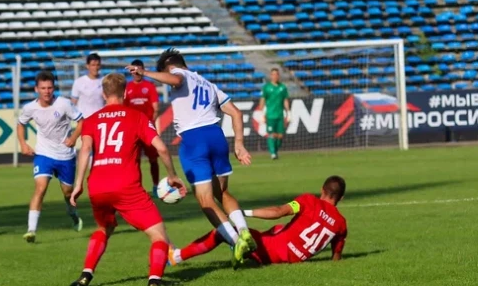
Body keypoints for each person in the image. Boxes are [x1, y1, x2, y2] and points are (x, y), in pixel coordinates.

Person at [127, 48, 254, 266]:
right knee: (222, 192)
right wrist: (239, 144)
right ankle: (244, 231)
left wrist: (145, 72)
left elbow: (175, 78)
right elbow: (236, 112)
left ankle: (236, 242)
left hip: (195, 141)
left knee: (205, 200)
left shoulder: (180, 75)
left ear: (169, 67)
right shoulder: (208, 83)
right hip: (217, 136)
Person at [68, 72, 185, 286]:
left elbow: (84, 150)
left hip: (98, 186)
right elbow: (161, 148)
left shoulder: (92, 120)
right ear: (125, 92)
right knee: (159, 235)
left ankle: (85, 275)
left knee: (104, 228)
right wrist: (172, 175)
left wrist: (78, 185)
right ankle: (155, 279)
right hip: (126, 185)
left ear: (104, 94)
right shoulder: (137, 117)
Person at [169, 175, 348, 267]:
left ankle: (176, 257)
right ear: (341, 197)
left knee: (222, 232)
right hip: (293, 259)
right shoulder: (341, 223)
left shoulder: (310, 201)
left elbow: (279, 211)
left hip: (272, 252)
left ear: (322, 189)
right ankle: (242, 250)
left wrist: (241, 213)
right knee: (277, 228)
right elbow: (336, 257)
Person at [17, 70, 84, 242]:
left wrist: (74, 138)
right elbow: (20, 124)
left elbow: (82, 121)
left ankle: (73, 214)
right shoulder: (30, 108)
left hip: (65, 156)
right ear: (36, 89)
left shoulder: (63, 104)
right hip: (44, 154)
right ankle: (31, 230)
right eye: (43, 88)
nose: (47, 91)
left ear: (54, 88)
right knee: (40, 188)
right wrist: (23, 144)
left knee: (68, 193)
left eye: (50, 88)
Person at [124, 59, 161, 189]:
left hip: (147, 130)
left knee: (153, 159)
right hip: (132, 131)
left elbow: (156, 108)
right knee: (134, 160)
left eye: (139, 69)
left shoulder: (149, 86)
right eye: (134, 70)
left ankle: (156, 186)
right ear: (130, 71)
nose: (136, 73)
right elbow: (124, 109)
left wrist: (150, 123)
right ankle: (137, 187)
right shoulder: (126, 88)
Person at [259, 68, 290, 160]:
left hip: (280, 115)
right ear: (271, 76)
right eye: (273, 74)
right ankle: (273, 153)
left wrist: (289, 112)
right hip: (270, 115)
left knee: (280, 136)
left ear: (278, 76)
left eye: (276, 74)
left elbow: (285, 100)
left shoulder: (283, 87)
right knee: (271, 134)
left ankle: (275, 151)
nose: (275, 76)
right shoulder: (266, 87)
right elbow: (262, 100)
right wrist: (262, 113)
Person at [70, 53, 105, 118]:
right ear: (87, 66)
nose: (95, 68)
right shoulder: (79, 82)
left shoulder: (105, 81)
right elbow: (73, 103)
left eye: (98, 65)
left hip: (100, 119)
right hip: (84, 119)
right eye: (93, 65)